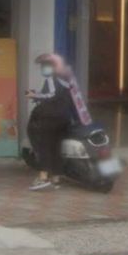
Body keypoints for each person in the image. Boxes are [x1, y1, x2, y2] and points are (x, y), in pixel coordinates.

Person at [27, 53, 77, 191]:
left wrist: (33, 95)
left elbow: (51, 94)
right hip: (64, 118)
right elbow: (60, 95)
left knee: (44, 147)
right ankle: (56, 178)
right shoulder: (66, 79)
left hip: (50, 119)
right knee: (56, 148)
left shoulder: (51, 79)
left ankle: (43, 177)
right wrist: (38, 94)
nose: (43, 69)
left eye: (44, 66)